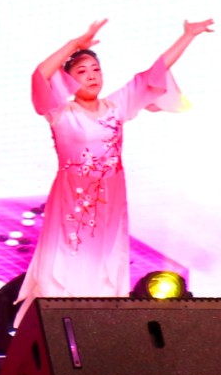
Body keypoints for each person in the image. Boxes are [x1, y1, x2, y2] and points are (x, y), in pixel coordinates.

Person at [17, 17, 210, 322]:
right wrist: (74, 44)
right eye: (82, 72)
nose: (91, 76)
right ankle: (59, 322)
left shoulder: (116, 107)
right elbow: (40, 75)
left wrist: (188, 35)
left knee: (106, 261)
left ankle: (100, 324)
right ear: (68, 81)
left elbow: (154, 74)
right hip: (72, 200)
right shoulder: (60, 113)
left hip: (110, 199)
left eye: (96, 70)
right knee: (65, 260)